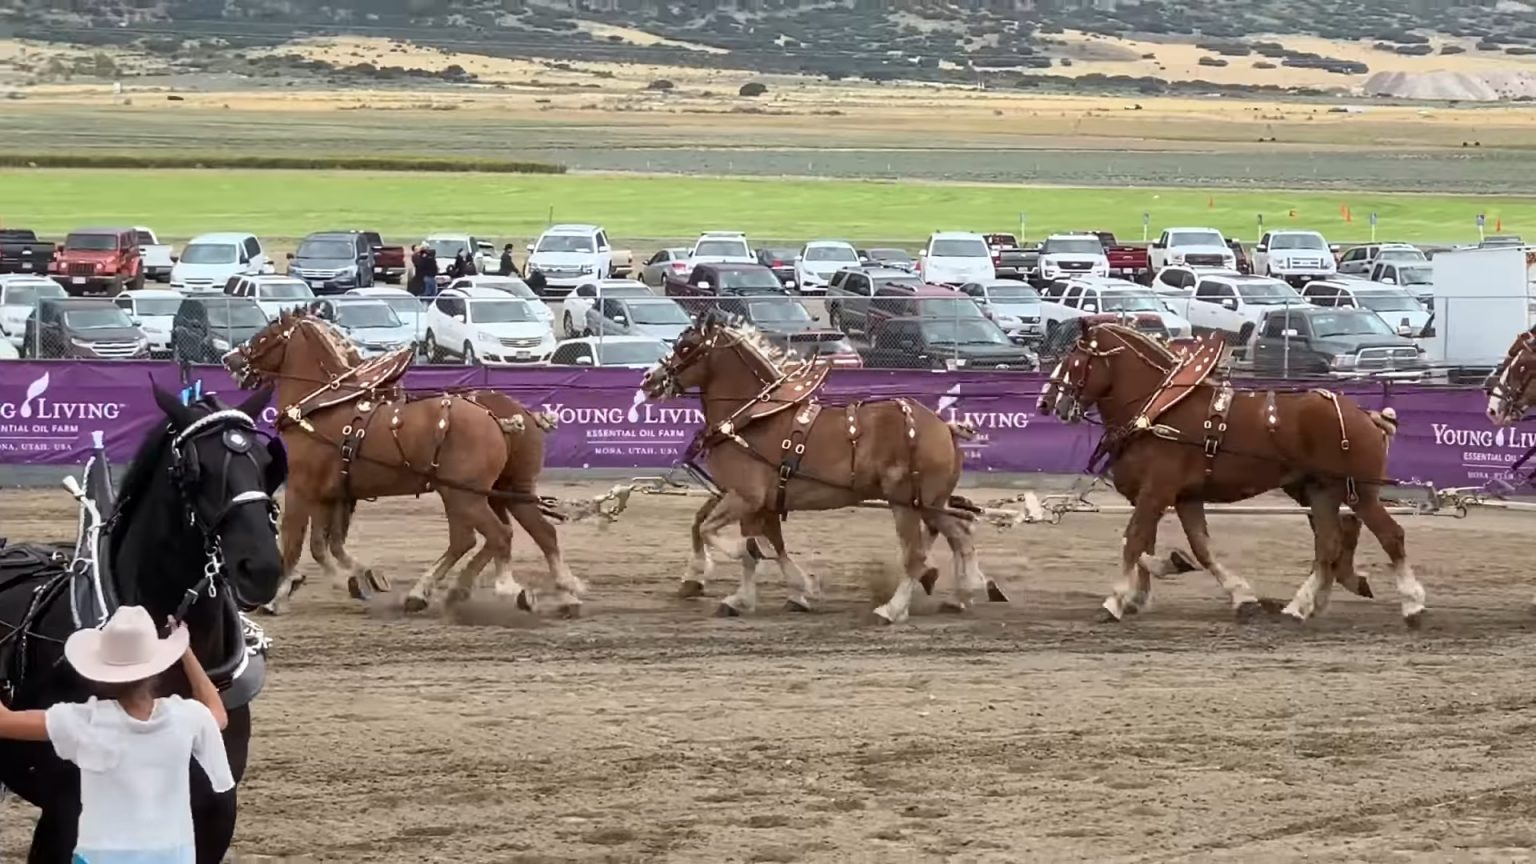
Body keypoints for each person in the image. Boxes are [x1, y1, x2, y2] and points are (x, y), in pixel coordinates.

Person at [0, 605, 234, 864]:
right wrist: (185, 652)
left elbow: (4, 722)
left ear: (100, 675)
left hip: (102, 856)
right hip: (173, 855)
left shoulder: (84, 721)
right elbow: (218, 713)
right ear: (158, 669)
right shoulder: (185, 717)